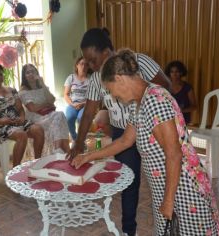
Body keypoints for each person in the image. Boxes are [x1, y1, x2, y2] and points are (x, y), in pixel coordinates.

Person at [71, 50, 219, 235]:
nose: (113, 96)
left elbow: (174, 154)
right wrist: (88, 156)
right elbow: (125, 141)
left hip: (182, 191)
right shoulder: (139, 102)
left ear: (119, 78)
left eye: (111, 90)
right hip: (166, 188)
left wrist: (168, 201)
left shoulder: (155, 101)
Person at [67, 28, 171, 236]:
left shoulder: (139, 62)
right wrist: (79, 143)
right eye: (87, 62)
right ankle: (128, 231)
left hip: (155, 131)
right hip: (124, 133)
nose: (91, 66)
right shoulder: (97, 78)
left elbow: (166, 87)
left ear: (107, 51)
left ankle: (171, 222)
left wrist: (146, 104)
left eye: (93, 60)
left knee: (164, 180)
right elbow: (88, 113)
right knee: (129, 182)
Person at [0, 63, 44, 167]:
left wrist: (22, 117)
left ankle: (37, 164)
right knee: (22, 135)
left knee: (38, 129)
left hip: (16, 122)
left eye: (0, 74)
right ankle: (15, 170)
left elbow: (20, 108)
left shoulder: (11, 90)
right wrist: (1, 121)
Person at [19, 64, 70, 154]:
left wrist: (42, 83)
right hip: (35, 118)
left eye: (33, 71)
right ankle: (62, 150)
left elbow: (52, 100)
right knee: (59, 116)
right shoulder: (24, 91)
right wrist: (46, 104)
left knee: (60, 115)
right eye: (28, 72)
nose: (31, 74)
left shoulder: (41, 87)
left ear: (37, 73)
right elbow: (32, 108)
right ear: (24, 76)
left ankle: (60, 150)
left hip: (48, 115)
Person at [64, 56, 90, 142]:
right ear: (77, 65)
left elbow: (92, 98)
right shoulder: (71, 78)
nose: (84, 66)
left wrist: (82, 104)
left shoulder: (90, 80)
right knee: (69, 118)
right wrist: (72, 104)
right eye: (81, 64)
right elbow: (66, 94)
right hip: (73, 104)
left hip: (85, 105)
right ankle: (75, 138)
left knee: (81, 118)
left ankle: (81, 139)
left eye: (86, 65)